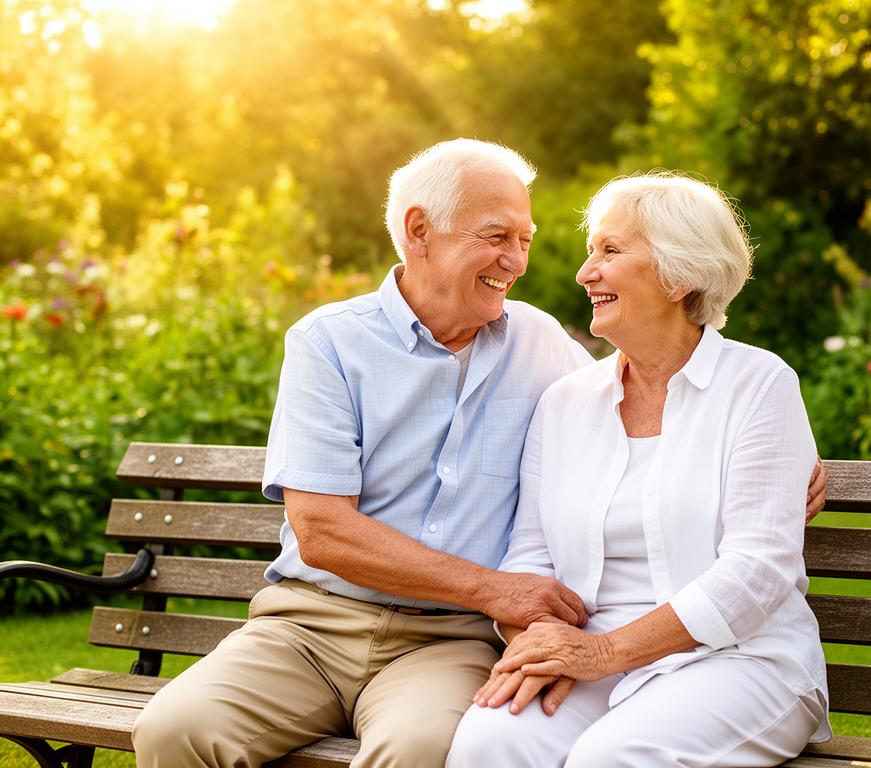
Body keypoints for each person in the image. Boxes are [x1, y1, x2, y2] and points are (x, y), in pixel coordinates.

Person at [131, 141, 829, 768]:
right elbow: (332, 531)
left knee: (475, 750)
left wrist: (776, 466)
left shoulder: (556, 353)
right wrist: (526, 614)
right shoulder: (340, 345)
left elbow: (748, 538)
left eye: (527, 240)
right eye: (498, 237)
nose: (530, 265)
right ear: (419, 232)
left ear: (681, 274)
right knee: (178, 730)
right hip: (318, 626)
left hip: (502, 646)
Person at [447, 173, 831, 768]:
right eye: (589, 250)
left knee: (613, 757)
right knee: (488, 740)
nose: (584, 273)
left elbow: (758, 571)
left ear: (681, 274)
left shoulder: (759, 385)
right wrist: (540, 645)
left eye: (610, 250)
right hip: (591, 655)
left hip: (739, 658)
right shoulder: (565, 401)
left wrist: (602, 655)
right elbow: (532, 555)